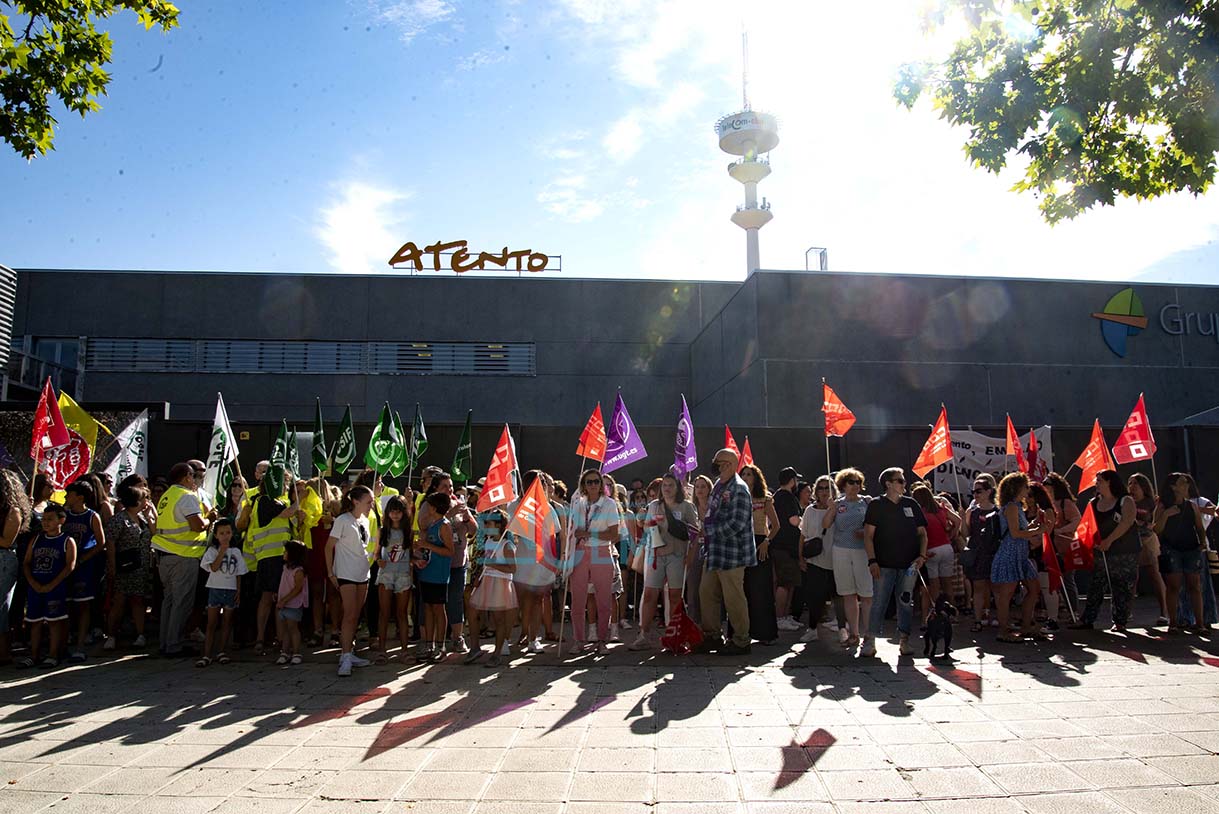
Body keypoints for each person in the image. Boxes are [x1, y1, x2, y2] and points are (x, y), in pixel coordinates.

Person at [860, 468, 927, 657]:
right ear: (888, 484)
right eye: (900, 480)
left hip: (909, 564)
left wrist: (921, 556)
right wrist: (872, 560)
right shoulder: (876, 505)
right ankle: (870, 640)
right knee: (879, 602)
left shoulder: (911, 504)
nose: (904, 484)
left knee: (905, 602)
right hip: (884, 563)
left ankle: (904, 640)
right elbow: (868, 536)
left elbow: (922, 533)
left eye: (903, 480)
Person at [630, 473, 699, 650]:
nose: (667, 488)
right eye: (665, 485)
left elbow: (695, 533)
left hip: (677, 555)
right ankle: (644, 634)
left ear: (678, 488)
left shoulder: (686, 507)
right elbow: (646, 527)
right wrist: (646, 523)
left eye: (671, 485)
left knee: (675, 596)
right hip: (655, 556)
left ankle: (673, 636)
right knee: (649, 594)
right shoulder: (654, 506)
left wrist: (690, 557)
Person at [697, 449, 755, 655]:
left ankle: (741, 640)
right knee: (706, 593)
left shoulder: (739, 489)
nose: (714, 466)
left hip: (732, 554)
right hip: (714, 551)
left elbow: (737, 523)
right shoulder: (719, 487)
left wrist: (709, 530)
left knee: (733, 597)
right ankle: (712, 636)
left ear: (729, 464)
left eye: (718, 463)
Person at [238, 474, 301, 656]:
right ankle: (273, 640)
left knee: (273, 599)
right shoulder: (266, 500)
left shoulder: (272, 501)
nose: (286, 486)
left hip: (274, 556)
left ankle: (272, 639)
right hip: (272, 556)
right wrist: (299, 500)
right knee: (273, 599)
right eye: (285, 483)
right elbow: (288, 513)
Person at [153, 463, 211, 657]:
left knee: (169, 602)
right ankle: (174, 644)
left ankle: (165, 643)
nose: (195, 480)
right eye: (193, 476)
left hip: (165, 555)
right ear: (187, 477)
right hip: (183, 556)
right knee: (181, 603)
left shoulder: (167, 496)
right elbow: (197, 526)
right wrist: (210, 518)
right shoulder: (186, 496)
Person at [568, 469, 620, 655]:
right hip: (580, 552)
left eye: (596, 481)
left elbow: (614, 535)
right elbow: (571, 531)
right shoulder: (577, 504)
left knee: (604, 598)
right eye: (589, 482)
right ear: (583, 485)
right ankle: (578, 640)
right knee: (577, 600)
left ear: (601, 485)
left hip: (601, 552)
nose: (593, 485)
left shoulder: (609, 504)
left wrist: (589, 533)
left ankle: (602, 640)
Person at [18, 503, 76, 668]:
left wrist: (52, 585)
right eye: (44, 519)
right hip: (35, 587)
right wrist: (33, 582)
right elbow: (27, 563)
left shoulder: (67, 540)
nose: (45, 522)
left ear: (61, 520)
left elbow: (69, 565)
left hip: (56, 588)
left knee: (54, 622)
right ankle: (34, 655)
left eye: (50, 519)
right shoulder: (36, 539)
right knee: (34, 622)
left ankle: (53, 654)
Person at [990, 473, 1044, 642]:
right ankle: (1003, 631)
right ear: (1016, 488)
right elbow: (1015, 533)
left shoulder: (1017, 507)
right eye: (1025, 486)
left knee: (1034, 590)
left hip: (1021, 553)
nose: (1028, 490)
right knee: (1006, 595)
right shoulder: (1012, 507)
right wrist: (1037, 531)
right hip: (1010, 552)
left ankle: (1026, 626)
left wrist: (1034, 524)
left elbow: (1020, 528)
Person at [327, 484, 374, 676]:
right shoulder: (342, 520)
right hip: (346, 573)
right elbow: (328, 547)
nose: (371, 505)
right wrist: (331, 573)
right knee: (349, 614)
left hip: (362, 573)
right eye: (368, 502)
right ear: (356, 502)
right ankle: (345, 656)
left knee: (356, 615)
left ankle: (350, 651)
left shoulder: (364, 520)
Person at [1154, 472, 1209, 633]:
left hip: (1191, 548)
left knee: (1195, 586)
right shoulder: (1163, 505)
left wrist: (1201, 543)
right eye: (1182, 482)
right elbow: (1156, 529)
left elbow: (1199, 526)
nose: (1186, 486)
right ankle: (1173, 623)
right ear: (1173, 486)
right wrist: (1165, 515)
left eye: (1186, 483)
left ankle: (1199, 623)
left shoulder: (1191, 506)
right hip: (1171, 549)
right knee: (1173, 586)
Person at [823, 468, 871, 650]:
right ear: (843, 484)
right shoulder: (837, 503)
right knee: (848, 593)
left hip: (862, 551)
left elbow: (874, 525)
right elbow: (826, 524)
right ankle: (854, 633)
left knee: (866, 594)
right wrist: (831, 509)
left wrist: (865, 532)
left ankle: (869, 634)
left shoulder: (867, 502)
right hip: (841, 551)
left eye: (858, 482)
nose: (855, 486)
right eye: (851, 482)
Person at [102, 484, 153, 651]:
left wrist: (151, 516)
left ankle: (140, 634)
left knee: (139, 600)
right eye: (145, 498)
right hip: (124, 567)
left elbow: (155, 533)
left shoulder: (144, 518)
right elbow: (110, 543)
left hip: (141, 567)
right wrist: (112, 566)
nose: (148, 501)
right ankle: (111, 635)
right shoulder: (119, 519)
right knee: (119, 601)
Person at [62, 480, 107, 661]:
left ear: (80, 497)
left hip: (84, 567)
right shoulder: (64, 515)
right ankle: (65, 643)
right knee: (68, 604)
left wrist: (82, 559)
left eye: (69, 495)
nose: (66, 498)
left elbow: (101, 542)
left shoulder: (92, 516)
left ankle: (81, 644)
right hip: (67, 567)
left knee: (83, 604)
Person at [799, 475, 846, 643]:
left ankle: (842, 628)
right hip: (815, 560)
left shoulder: (840, 508)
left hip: (837, 559)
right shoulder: (810, 511)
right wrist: (801, 557)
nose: (825, 491)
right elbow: (803, 536)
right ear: (816, 491)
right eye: (821, 488)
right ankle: (812, 628)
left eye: (828, 488)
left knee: (839, 596)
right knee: (814, 597)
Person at [468, 510, 517, 667]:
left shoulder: (507, 545)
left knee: (498, 619)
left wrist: (493, 564)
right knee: (473, 611)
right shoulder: (488, 542)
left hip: (500, 584)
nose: (485, 525)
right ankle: (474, 647)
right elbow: (485, 565)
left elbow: (512, 568)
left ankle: (497, 654)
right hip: (487, 581)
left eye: (489, 523)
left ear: (498, 525)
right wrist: (478, 577)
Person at [197, 518, 247, 667]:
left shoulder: (236, 551)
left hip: (230, 590)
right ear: (216, 535)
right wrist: (222, 551)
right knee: (212, 623)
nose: (225, 536)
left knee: (227, 622)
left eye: (228, 532)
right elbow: (213, 568)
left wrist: (238, 590)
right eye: (222, 533)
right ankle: (207, 654)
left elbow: (239, 572)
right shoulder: (212, 551)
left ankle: (221, 651)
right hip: (215, 588)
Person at [739, 463, 779, 644]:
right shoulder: (736, 497)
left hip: (760, 543)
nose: (746, 477)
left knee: (760, 589)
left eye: (749, 474)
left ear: (756, 477)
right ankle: (741, 632)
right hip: (741, 544)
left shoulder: (765, 499)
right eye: (743, 474)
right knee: (741, 589)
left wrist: (766, 542)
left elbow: (776, 526)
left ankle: (765, 633)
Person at [414, 492, 455, 663]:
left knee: (439, 609)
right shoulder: (432, 524)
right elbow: (428, 548)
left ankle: (441, 645)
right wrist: (420, 552)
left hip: (439, 575)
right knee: (428, 608)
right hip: (427, 573)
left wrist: (427, 545)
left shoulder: (444, 526)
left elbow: (449, 551)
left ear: (434, 507)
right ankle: (429, 645)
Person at [373, 495, 413, 663]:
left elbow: (412, 554)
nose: (395, 515)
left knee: (402, 614)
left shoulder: (408, 532)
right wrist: (378, 560)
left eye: (398, 511)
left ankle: (404, 651)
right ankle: (382, 651)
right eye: (392, 511)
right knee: (384, 613)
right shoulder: (382, 531)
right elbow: (376, 553)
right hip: (386, 574)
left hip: (403, 574)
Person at [911, 484, 960, 617]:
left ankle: (936, 613)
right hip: (947, 547)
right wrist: (952, 535)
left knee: (934, 586)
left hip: (931, 550)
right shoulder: (941, 509)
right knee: (948, 583)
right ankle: (953, 613)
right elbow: (958, 520)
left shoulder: (920, 513)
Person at [1128, 474, 1169, 625]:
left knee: (1155, 574)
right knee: (1132, 577)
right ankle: (1127, 612)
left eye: (1136, 484)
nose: (1132, 487)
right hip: (1132, 542)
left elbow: (1155, 522)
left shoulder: (1152, 502)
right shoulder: (1127, 502)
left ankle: (1164, 612)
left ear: (1144, 487)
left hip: (1149, 540)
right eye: (1130, 483)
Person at [0, 470, 31, 664]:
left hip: (3, 560)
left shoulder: (13, 511)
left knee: (1, 609)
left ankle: (3, 653)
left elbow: (6, 541)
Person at [963, 474, 1001, 631]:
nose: (975, 495)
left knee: (996, 588)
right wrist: (963, 517)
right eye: (973, 491)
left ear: (988, 492)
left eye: (978, 491)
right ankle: (978, 619)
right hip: (977, 553)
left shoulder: (998, 512)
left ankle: (999, 617)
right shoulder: (972, 512)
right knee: (978, 587)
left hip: (994, 553)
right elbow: (965, 533)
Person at [771, 467, 805, 632]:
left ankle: (785, 616)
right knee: (784, 583)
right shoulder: (788, 498)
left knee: (789, 582)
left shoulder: (777, 496)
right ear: (792, 480)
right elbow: (794, 521)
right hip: (785, 546)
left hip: (781, 545)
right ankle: (780, 617)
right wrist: (803, 521)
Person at [1044, 473, 1083, 613]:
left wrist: (1061, 530)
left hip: (1065, 546)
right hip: (1051, 546)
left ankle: (1074, 611)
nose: (1045, 487)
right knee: (1052, 579)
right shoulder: (1047, 504)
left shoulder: (1065, 502)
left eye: (1047, 484)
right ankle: (1058, 609)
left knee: (1067, 579)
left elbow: (1077, 520)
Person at [684, 475, 714, 623]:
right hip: (695, 549)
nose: (700, 489)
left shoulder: (715, 507)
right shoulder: (690, 508)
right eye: (697, 487)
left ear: (709, 489)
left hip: (713, 549)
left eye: (703, 486)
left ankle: (712, 624)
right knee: (693, 588)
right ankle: (693, 623)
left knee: (710, 589)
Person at [275, 540, 309, 665]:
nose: (284, 553)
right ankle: (284, 652)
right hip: (284, 604)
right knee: (285, 630)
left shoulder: (299, 571)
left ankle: (296, 652)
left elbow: (297, 589)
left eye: (286, 551)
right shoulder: (285, 568)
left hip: (293, 605)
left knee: (293, 628)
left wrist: (284, 600)